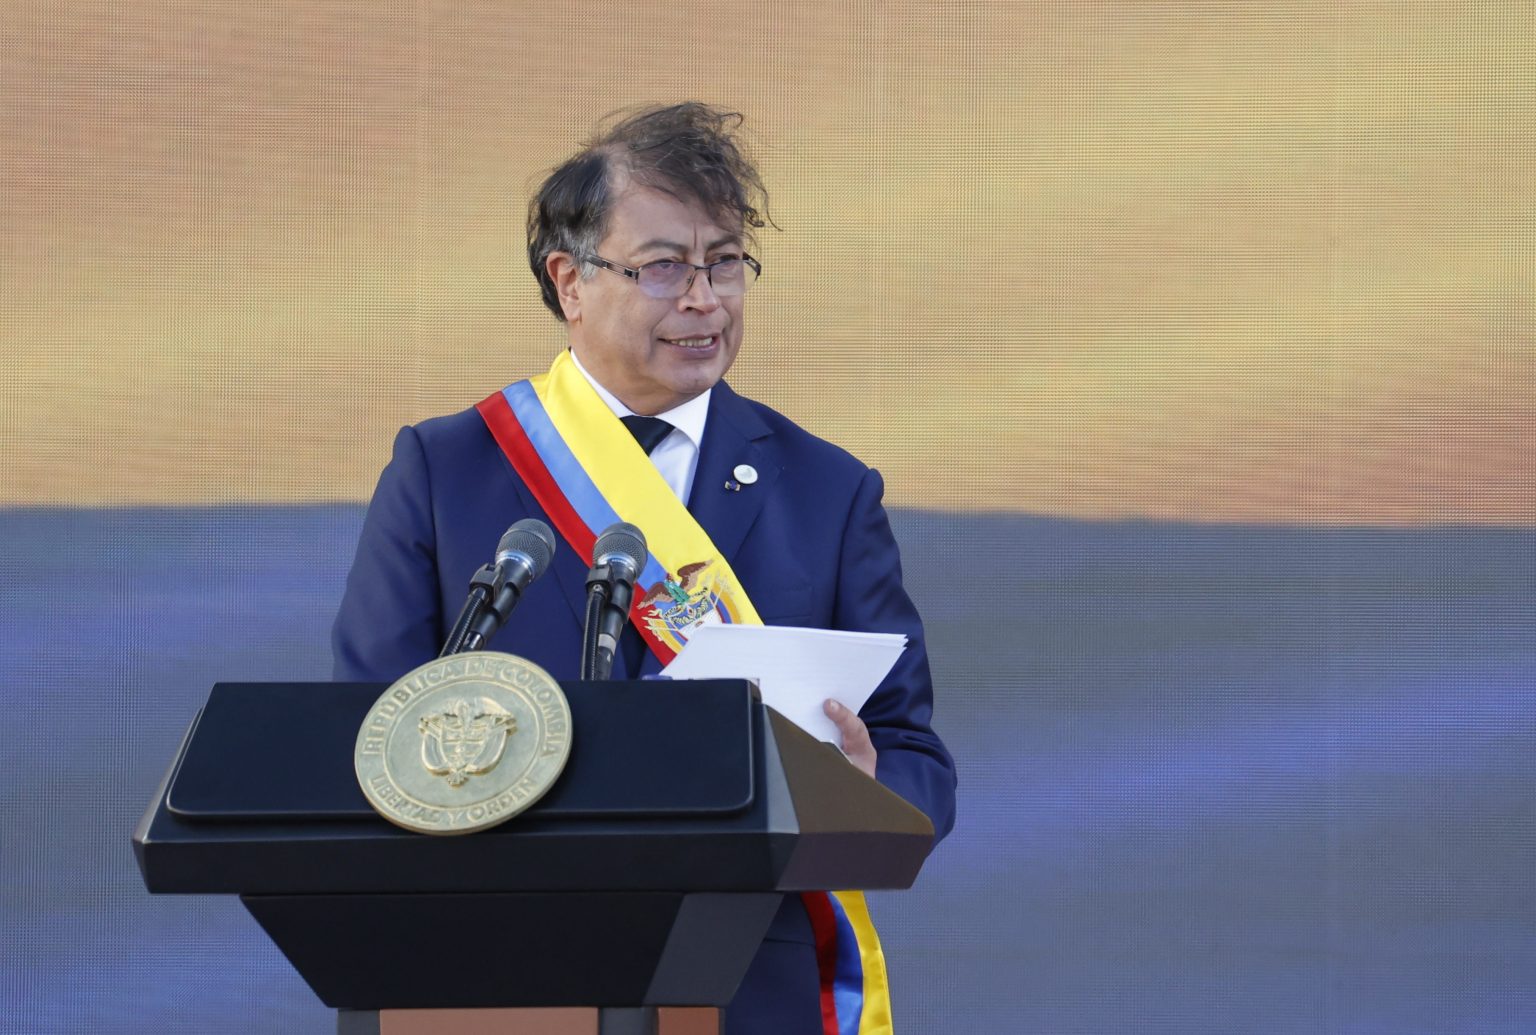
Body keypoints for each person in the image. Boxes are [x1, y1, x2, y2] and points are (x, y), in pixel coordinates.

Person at [332, 102, 956, 1035]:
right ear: (570, 281)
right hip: (500, 968)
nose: (705, 299)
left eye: (726, 262)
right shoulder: (448, 471)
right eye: (664, 266)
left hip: (753, 987)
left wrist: (864, 791)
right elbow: (365, 729)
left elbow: (913, 758)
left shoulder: (827, 490)